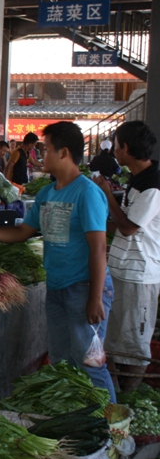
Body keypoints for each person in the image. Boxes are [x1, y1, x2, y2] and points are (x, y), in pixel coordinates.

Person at [0, 121, 115, 402]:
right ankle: (74, 421)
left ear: (64, 152)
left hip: (84, 289)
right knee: (62, 364)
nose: (39, 156)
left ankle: (113, 431)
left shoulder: (87, 193)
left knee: (89, 362)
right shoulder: (46, 193)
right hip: (57, 289)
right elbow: (21, 232)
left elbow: (99, 248)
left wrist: (96, 297)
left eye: (46, 149)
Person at [92, 122, 159, 392]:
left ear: (126, 148)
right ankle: (116, 398)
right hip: (122, 269)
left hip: (138, 274)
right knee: (115, 341)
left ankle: (128, 402)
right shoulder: (138, 177)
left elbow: (129, 228)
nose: (114, 151)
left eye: (117, 145)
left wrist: (107, 195)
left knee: (133, 345)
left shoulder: (153, 186)